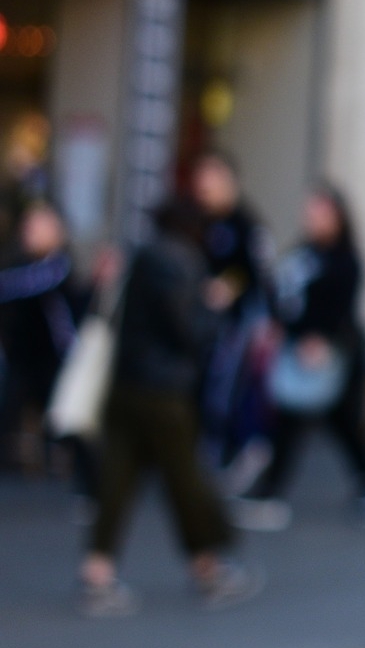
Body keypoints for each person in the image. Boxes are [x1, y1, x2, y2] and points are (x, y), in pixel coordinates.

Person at [80, 200, 259, 617]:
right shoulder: (182, 263)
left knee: (117, 480)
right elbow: (188, 329)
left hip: (125, 383)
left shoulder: (139, 256)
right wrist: (214, 306)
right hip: (165, 392)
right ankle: (209, 566)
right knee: (185, 481)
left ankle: (98, 570)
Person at [232, 185, 365, 530]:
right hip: (298, 350)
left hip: (333, 354)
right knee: (310, 422)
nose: (312, 220)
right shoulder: (302, 254)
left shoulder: (345, 259)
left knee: (340, 423)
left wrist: (320, 339)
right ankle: (276, 491)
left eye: (320, 213)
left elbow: (341, 306)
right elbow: (281, 293)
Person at [188, 151, 274, 479]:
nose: (204, 190)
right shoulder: (199, 222)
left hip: (235, 324)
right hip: (199, 323)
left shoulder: (246, 225)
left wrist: (229, 286)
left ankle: (226, 450)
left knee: (224, 387)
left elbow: (259, 274)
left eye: (211, 182)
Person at [0, 202, 83, 474]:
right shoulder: (19, 264)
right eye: (28, 226)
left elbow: (25, 285)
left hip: (58, 358)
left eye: (39, 226)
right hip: (23, 357)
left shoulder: (59, 266)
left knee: (67, 418)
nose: (31, 232)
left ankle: (80, 470)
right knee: (12, 405)